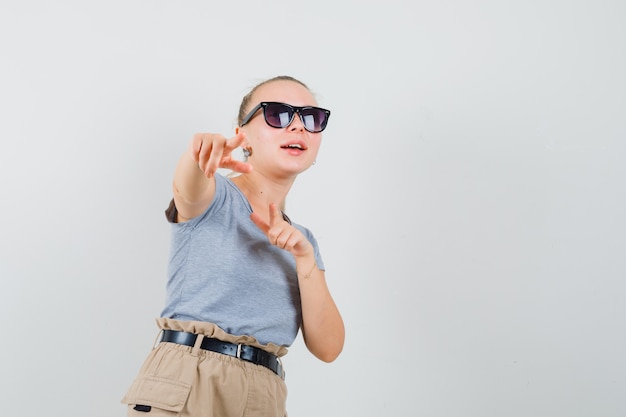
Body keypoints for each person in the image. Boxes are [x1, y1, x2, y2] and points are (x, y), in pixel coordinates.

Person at [121, 75, 345, 416]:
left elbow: (329, 348)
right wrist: (199, 157)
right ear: (245, 134)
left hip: (264, 393)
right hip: (191, 379)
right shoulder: (215, 196)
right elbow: (188, 188)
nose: (298, 128)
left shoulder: (302, 240)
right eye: (278, 114)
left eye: (311, 118)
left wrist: (305, 260)